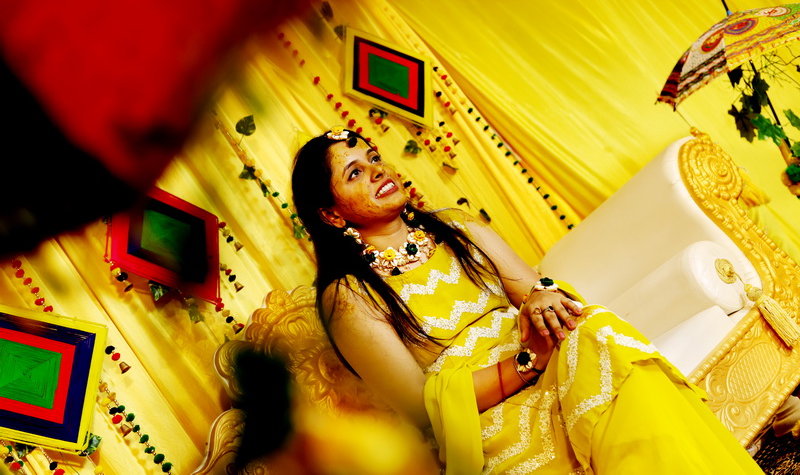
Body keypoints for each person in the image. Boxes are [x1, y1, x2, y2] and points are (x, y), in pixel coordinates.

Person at [291, 127, 763, 474]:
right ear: (331, 214)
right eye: (356, 173)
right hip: (485, 419)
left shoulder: (457, 228)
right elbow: (421, 408)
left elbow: (536, 287)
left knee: (598, 333)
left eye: (374, 157)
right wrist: (527, 361)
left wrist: (541, 299)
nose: (377, 170)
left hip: (551, 362)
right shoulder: (347, 296)